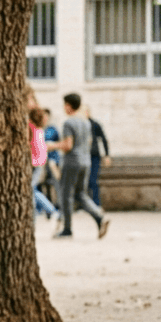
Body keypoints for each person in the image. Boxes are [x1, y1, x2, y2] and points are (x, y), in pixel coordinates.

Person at [55, 93, 110, 240]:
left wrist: (50, 146)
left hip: (71, 162)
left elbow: (68, 145)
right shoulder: (86, 122)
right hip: (86, 162)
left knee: (66, 195)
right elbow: (90, 141)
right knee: (81, 194)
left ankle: (67, 229)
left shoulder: (68, 123)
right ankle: (99, 216)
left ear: (68, 105)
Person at [29, 107, 56, 220]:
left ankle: (51, 210)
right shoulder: (40, 129)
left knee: (30, 189)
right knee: (32, 189)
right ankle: (46, 210)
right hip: (40, 162)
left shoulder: (31, 128)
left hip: (34, 163)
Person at [86, 107, 111, 206]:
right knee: (85, 181)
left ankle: (96, 204)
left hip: (94, 156)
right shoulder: (80, 125)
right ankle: (86, 204)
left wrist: (107, 155)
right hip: (83, 156)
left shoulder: (94, 124)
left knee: (93, 180)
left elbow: (104, 139)